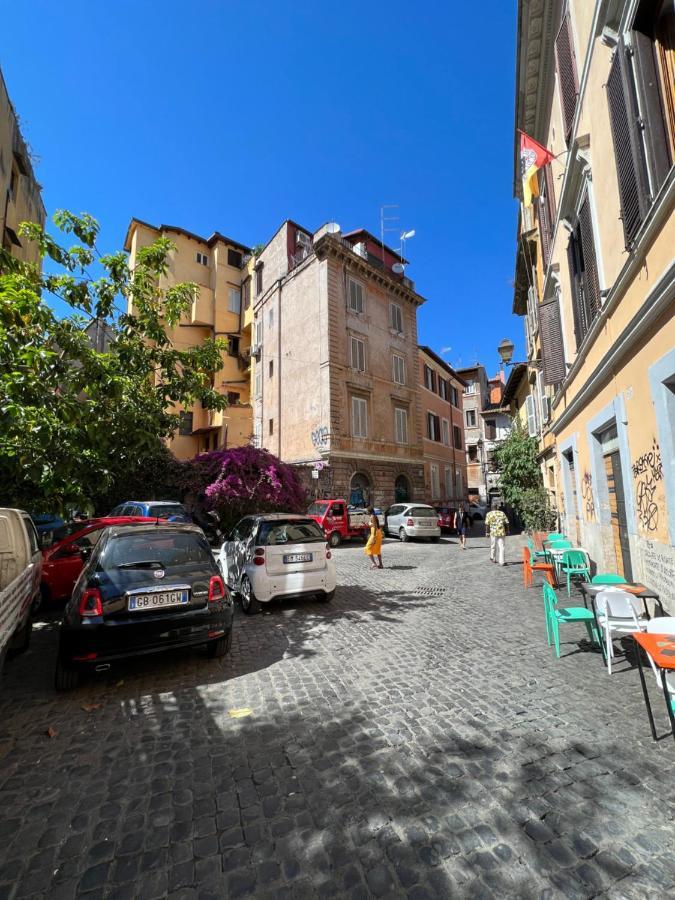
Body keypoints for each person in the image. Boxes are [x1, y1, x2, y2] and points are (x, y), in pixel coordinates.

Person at [485, 501, 509, 566]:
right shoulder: (502, 513)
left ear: (491, 507)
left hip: (493, 532)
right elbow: (506, 523)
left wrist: (487, 532)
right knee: (501, 547)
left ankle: (493, 558)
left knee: (493, 545)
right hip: (501, 532)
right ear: (497, 507)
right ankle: (502, 561)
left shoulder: (489, 514)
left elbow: (487, 524)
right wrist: (507, 530)